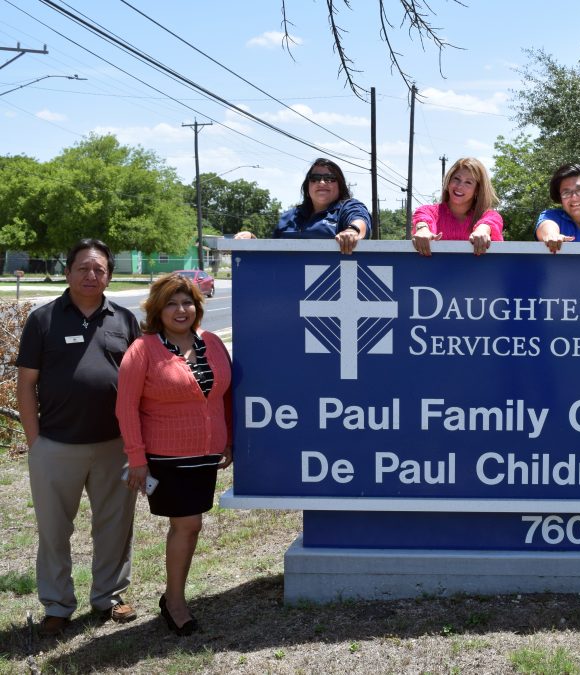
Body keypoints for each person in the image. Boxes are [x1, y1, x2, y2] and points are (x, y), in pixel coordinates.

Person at [16, 239, 142, 637]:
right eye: (84, 268)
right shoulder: (43, 319)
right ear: (68, 272)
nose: (91, 275)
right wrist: (35, 441)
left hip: (114, 445)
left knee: (115, 526)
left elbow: (139, 384)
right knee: (54, 530)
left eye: (100, 269)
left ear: (109, 275)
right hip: (55, 446)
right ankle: (57, 604)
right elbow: (25, 385)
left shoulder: (124, 319)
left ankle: (109, 597)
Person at [116, 273, 233, 635]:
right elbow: (126, 407)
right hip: (167, 455)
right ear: (157, 309)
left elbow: (225, 394)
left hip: (207, 453)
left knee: (190, 525)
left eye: (187, 303)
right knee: (188, 524)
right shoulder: (144, 349)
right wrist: (137, 458)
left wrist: (228, 440)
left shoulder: (211, 342)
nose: (180, 310)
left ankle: (174, 595)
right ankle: (175, 602)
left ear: (197, 307)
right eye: (171, 303)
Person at [235, 158, 369, 254]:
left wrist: (352, 231)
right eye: (315, 178)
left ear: (339, 185)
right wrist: (252, 241)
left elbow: (360, 220)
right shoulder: (290, 216)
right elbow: (272, 253)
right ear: (307, 186)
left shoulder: (347, 207)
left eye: (329, 178)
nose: (321, 182)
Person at [411, 157, 504, 256]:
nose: (459, 186)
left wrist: (483, 230)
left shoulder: (489, 216)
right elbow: (422, 219)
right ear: (448, 182)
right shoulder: (428, 211)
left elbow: (490, 223)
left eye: (468, 182)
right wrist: (422, 230)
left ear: (477, 190)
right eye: (456, 179)